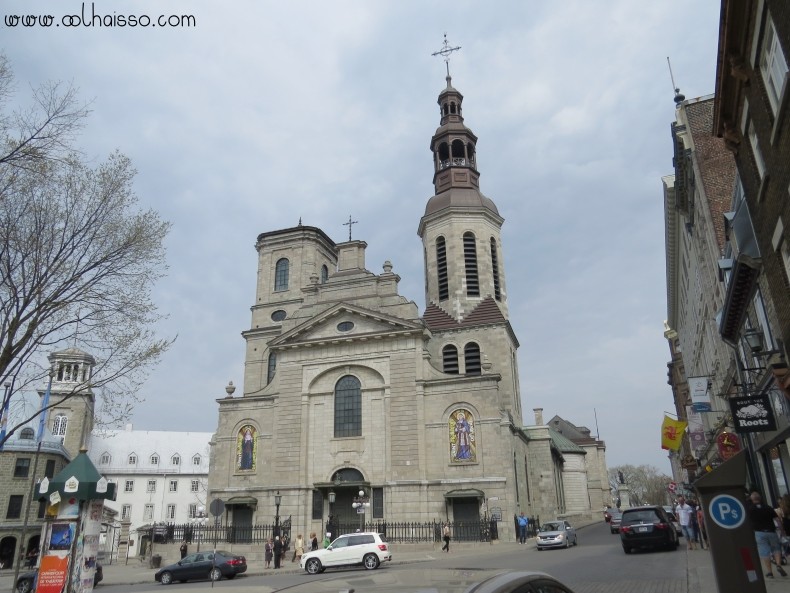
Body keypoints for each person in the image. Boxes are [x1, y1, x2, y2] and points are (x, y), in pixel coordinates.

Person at [747, 491, 787, 578]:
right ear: (760, 498)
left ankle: (769, 572)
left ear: (751, 499)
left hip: (759, 533)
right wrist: (782, 531)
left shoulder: (750, 509)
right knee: (776, 549)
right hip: (771, 531)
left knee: (764, 552)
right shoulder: (768, 508)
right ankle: (779, 565)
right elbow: (777, 520)